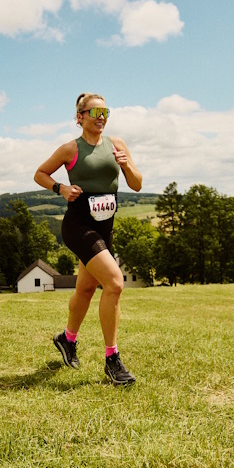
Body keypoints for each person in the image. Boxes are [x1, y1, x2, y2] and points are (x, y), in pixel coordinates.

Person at [34, 92, 143, 386]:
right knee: (115, 283)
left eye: (105, 112)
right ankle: (112, 360)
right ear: (80, 117)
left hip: (105, 226)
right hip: (79, 224)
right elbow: (40, 174)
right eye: (95, 113)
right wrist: (60, 189)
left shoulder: (117, 145)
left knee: (85, 288)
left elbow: (136, 184)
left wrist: (126, 165)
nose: (102, 117)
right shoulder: (70, 149)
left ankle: (67, 339)